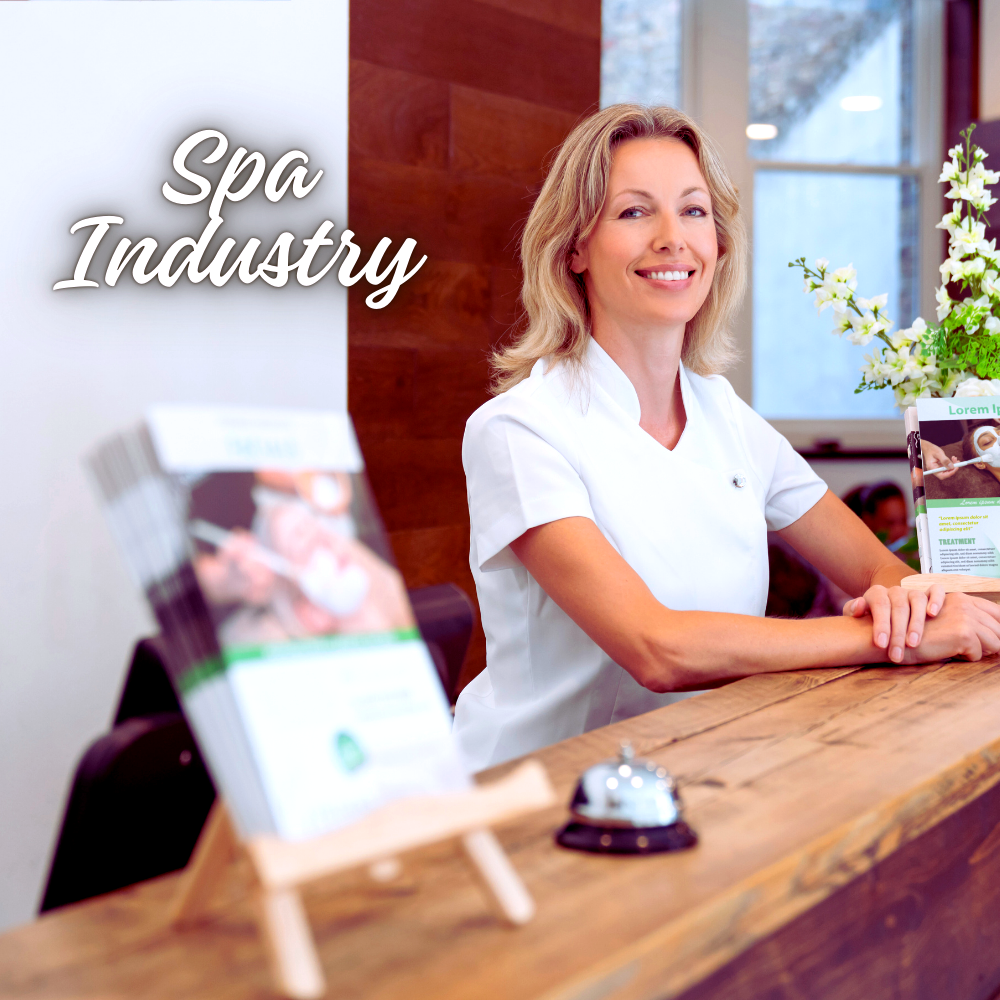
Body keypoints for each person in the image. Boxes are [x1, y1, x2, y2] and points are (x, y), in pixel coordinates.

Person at [452, 104, 1000, 772]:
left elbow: (881, 569)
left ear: (717, 243)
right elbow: (657, 648)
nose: (671, 238)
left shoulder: (725, 414)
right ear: (573, 247)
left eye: (693, 211)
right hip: (538, 793)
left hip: (704, 769)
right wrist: (885, 638)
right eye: (633, 212)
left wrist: (902, 603)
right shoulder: (519, 429)